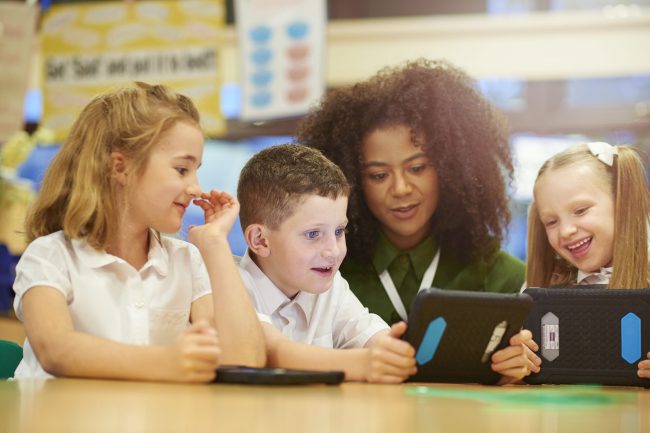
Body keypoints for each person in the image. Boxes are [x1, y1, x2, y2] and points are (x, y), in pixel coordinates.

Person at [296, 58, 538, 381]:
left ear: (451, 169)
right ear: (352, 181)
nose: (400, 188)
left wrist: (516, 371)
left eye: (417, 168)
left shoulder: (504, 279)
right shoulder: (325, 273)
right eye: (379, 174)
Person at [12, 82, 265, 381]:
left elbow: (246, 358)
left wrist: (215, 243)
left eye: (196, 169)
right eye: (182, 169)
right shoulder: (50, 256)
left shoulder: (188, 260)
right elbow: (56, 350)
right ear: (121, 168)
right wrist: (165, 362)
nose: (195, 187)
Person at [236, 143, 417, 383]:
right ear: (260, 240)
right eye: (313, 234)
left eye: (340, 231)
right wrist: (364, 363)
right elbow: (269, 353)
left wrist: (396, 351)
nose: (333, 250)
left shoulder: (330, 287)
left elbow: (371, 335)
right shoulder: (231, 285)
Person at [526, 141, 650, 378]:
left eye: (581, 210)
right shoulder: (540, 292)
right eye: (551, 222)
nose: (565, 231)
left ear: (622, 202)